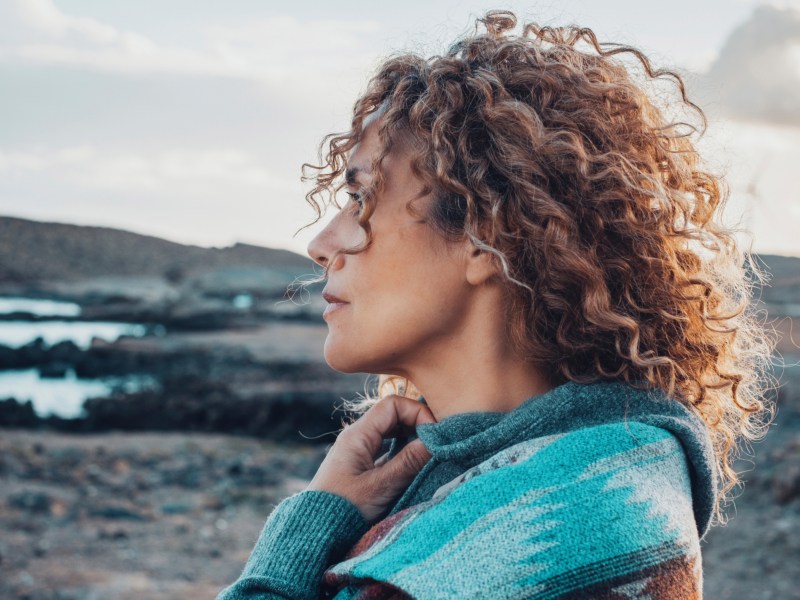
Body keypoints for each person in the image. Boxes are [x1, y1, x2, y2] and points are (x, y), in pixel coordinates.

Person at [218, 10, 773, 599]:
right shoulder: (590, 476)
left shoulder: (571, 522)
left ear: (487, 237)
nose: (321, 244)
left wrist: (303, 534)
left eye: (362, 197)